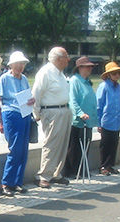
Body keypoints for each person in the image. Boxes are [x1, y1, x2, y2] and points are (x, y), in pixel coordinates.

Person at [0, 51, 34, 196]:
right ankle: (6, 182)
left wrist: (32, 100)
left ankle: (17, 181)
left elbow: (27, 95)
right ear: (11, 65)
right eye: (18, 64)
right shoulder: (4, 78)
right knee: (15, 148)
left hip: (24, 113)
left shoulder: (23, 78)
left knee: (23, 149)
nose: (20, 67)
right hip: (11, 113)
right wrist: (0, 122)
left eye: (22, 64)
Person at [32, 47, 72, 188]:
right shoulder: (45, 72)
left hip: (64, 110)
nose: (68, 59)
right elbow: (36, 94)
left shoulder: (60, 74)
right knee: (51, 144)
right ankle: (43, 175)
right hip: (51, 112)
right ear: (58, 58)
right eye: (66, 56)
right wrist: (36, 113)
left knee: (62, 145)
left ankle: (56, 173)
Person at [63, 56, 98, 178]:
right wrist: (80, 113)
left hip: (88, 121)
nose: (90, 69)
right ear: (79, 68)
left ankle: (81, 169)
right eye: (87, 66)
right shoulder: (74, 81)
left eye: (91, 67)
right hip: (77, 121)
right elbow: (72, 100)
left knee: (85, 145)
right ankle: (71, 171)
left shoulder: (87, 82)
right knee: (74, 147)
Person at [96, 61, 120, 176]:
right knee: (105, 144)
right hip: (106, 120)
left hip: (116, 120)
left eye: (118, 73)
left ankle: (110, 165)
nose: (117, 76)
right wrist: (98, 122)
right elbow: (99, 104)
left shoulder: (118, 87)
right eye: (114, 73)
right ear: (108, 75)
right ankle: (103, 166)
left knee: (114, 143)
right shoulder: (103, 86)